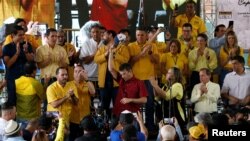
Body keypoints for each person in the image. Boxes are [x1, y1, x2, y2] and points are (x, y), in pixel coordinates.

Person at [128, 26, 159, 131]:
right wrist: (141, 54)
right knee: (136, 105)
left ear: (146, 36)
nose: (140, 37)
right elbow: (130, 63)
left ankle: (150, 126)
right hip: (135, 80)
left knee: (150, 103)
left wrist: (149, 53)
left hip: (149, 79)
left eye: (142, 35)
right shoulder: (131, 46)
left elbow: (156, 61)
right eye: (138, 35)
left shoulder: (152, 45)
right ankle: (137, 127)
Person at [108, 47, 148, 116]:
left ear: (130, 71)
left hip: (132, 114)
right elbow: (111, 69)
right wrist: (111, 53)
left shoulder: (139, 82)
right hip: (118, 112)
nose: (122, 76)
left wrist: (131, 100)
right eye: (121, 74)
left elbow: (144, 100)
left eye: (124, 74)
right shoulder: (121, 79)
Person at [3, 25, 34, 106]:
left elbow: (31, 60)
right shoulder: (7, 47)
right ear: (13, 35)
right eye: (20, 35)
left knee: (25, 103)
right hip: (12, 80)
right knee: (12, 102)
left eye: (23, 34)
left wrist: (26, 51)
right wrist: (17, 53)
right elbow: (8, 64)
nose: (22, 37)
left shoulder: (27, 45)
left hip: (25, 79)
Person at [68, 64, 96, 141]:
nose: (78, 73)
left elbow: (93, 92)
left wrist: (86, 79)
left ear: (84, 72)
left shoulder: (88, 83)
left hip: (85, 118)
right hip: (73, 119)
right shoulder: (69, 84)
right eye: (75, 71)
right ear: (73, 74)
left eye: (80, 71)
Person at [15, 61, 44, 127]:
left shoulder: (16, 81)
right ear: (33, 71)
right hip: (33, 119)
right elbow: (43, 97)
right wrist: (45, 83)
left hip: (20, 117)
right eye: (36, 69)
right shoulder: (35, 84)